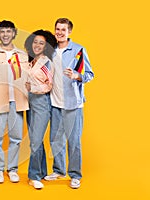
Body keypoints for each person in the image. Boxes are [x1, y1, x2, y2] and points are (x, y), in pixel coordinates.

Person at [44, 18, 94, 189]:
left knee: (73, 141)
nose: (59, 32)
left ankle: (75, 175)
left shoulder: (78, 50)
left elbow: (89, 74)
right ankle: (58, 171)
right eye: (57, 29)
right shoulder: (50, 50)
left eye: (63, 30)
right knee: (55, 140)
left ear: (69, 32)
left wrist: (76, 76)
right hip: (55, 103)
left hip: (73, 104)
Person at [0, 20, 29, 183]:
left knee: (16, 138)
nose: (5, 34)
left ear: (14, 33)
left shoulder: (23, 55)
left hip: (18, 101)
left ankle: (13, 169)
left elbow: (30, 77)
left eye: (9, 31)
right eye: (2, 31)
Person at [24, 30, 56, 189]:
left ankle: (33, 176)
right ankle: (42, 172)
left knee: (36, 140)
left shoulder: (46, 63)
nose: (37, 45)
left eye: (41, 43)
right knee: (35, 140)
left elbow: (49, 85)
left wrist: (33, 87)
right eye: (35, 42)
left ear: (46, 46)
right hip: (29, 104)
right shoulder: (30, 61)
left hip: (42, 103)